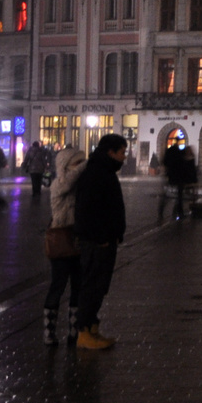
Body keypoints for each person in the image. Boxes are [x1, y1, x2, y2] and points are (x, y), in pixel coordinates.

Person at [72, 135, 128, 350]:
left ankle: (92, 328)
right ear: (110, 152)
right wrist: (101, 238)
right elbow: (88, 210)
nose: (124, 157)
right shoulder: (97, 173)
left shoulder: (104, 171)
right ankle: (83, 332)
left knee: (99, 287)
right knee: (92, 286)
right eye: (121, 152)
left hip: (104, 239)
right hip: (97, 241)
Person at [42, 147, 87, 345]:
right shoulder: (58, 184)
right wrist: (87, 164)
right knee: (58, 286)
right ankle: (49, 332)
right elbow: (67, 183)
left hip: (78, 240)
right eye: (77, 163)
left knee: (78, 286)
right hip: (61, 239)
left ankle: (74, 331)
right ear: (66, 166)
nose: (80, 167)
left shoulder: (82, 185)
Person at [164, 139, 198, 219]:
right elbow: (186, 169)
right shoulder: (180, 155)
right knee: (180, 196)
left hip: (180, 178)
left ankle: (178, 211)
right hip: (180, 178)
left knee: (179, 196)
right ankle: (179, 211)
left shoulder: (178, 153)